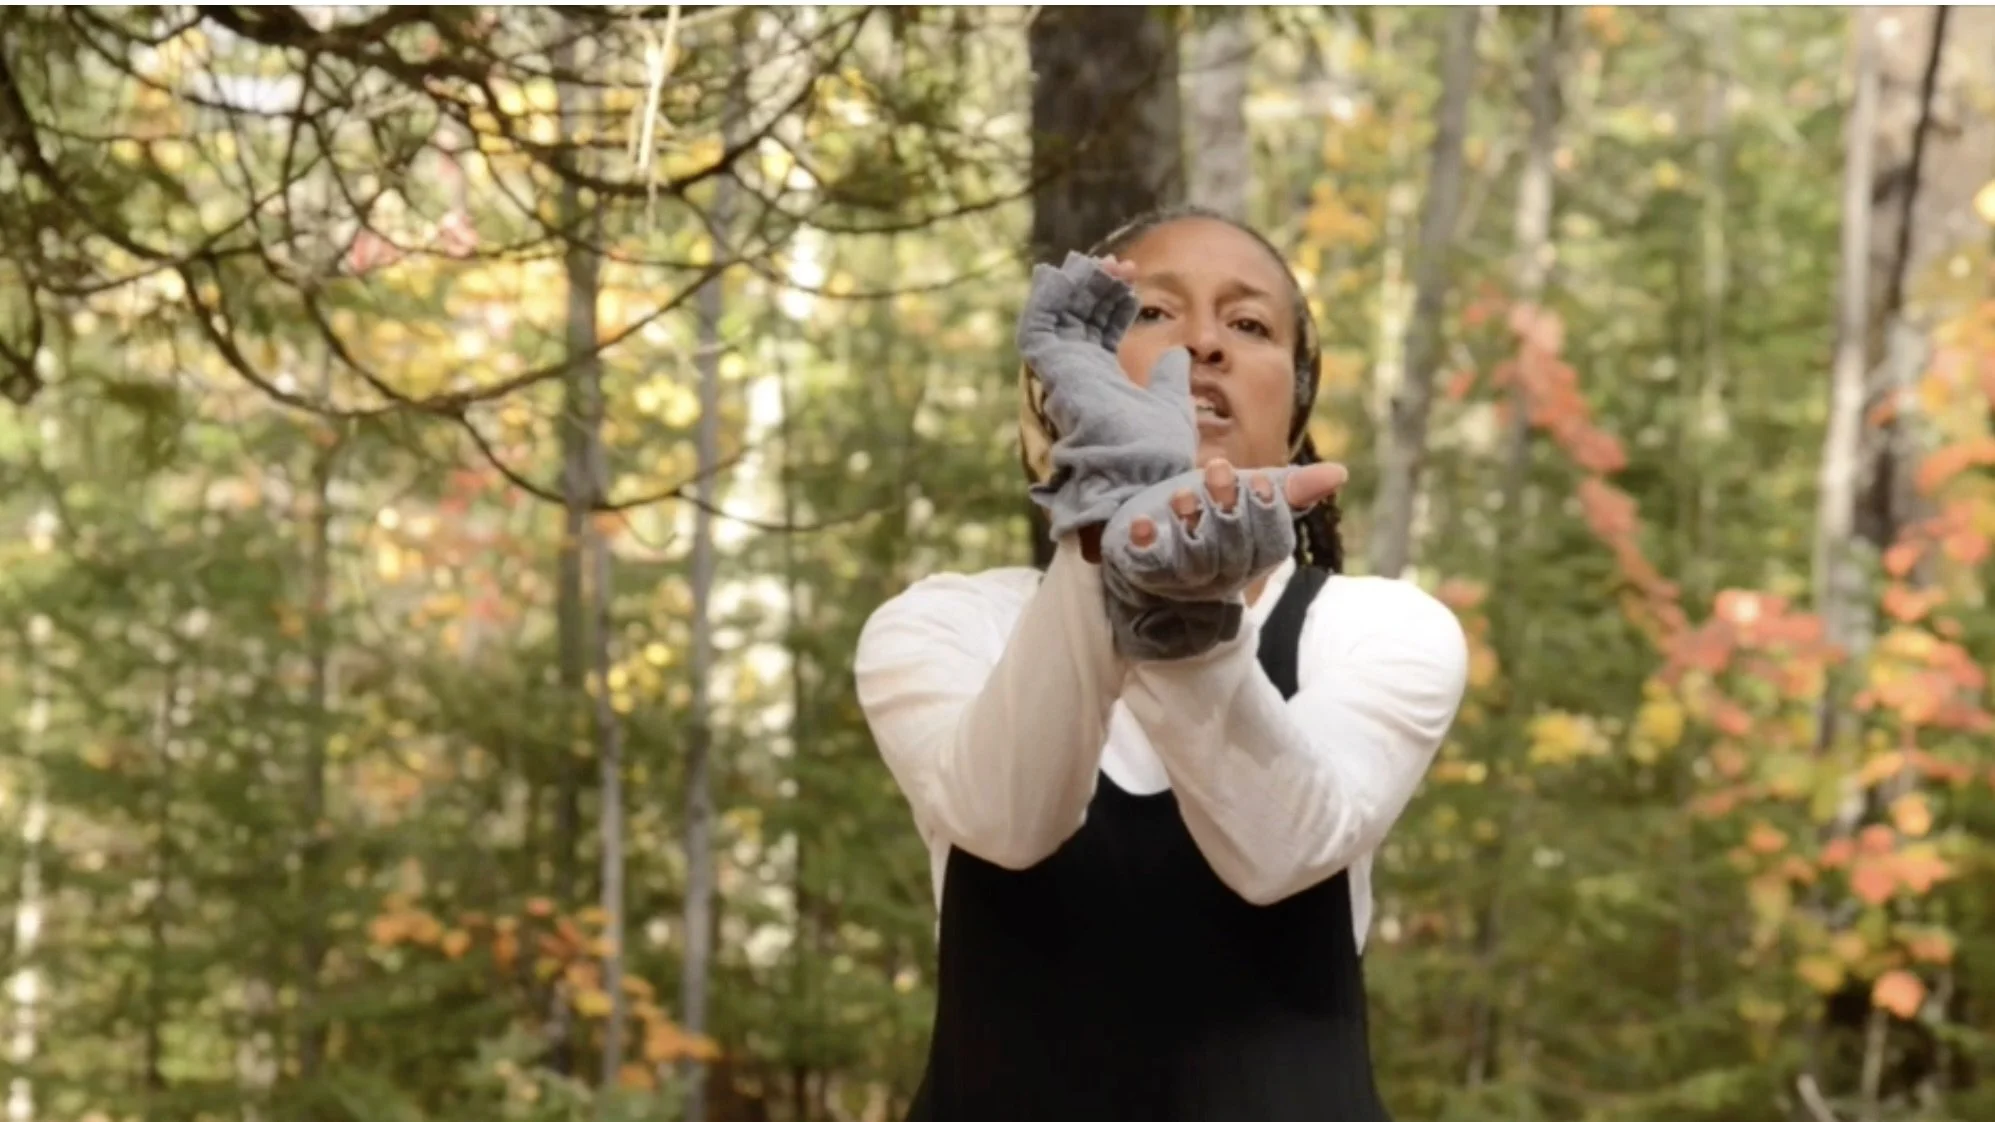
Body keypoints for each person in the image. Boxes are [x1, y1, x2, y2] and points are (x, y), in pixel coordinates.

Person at [852, 205, 1470, 1122]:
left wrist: (1183, 614)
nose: (1205, 343)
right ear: (1063, 386)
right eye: (1152, 312)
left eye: (1249, 323)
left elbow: (1282, 852)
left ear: (1296, 417)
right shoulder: (944, 625)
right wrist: (1109, 534)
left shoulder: (1381, 628)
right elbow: (1007, 822)